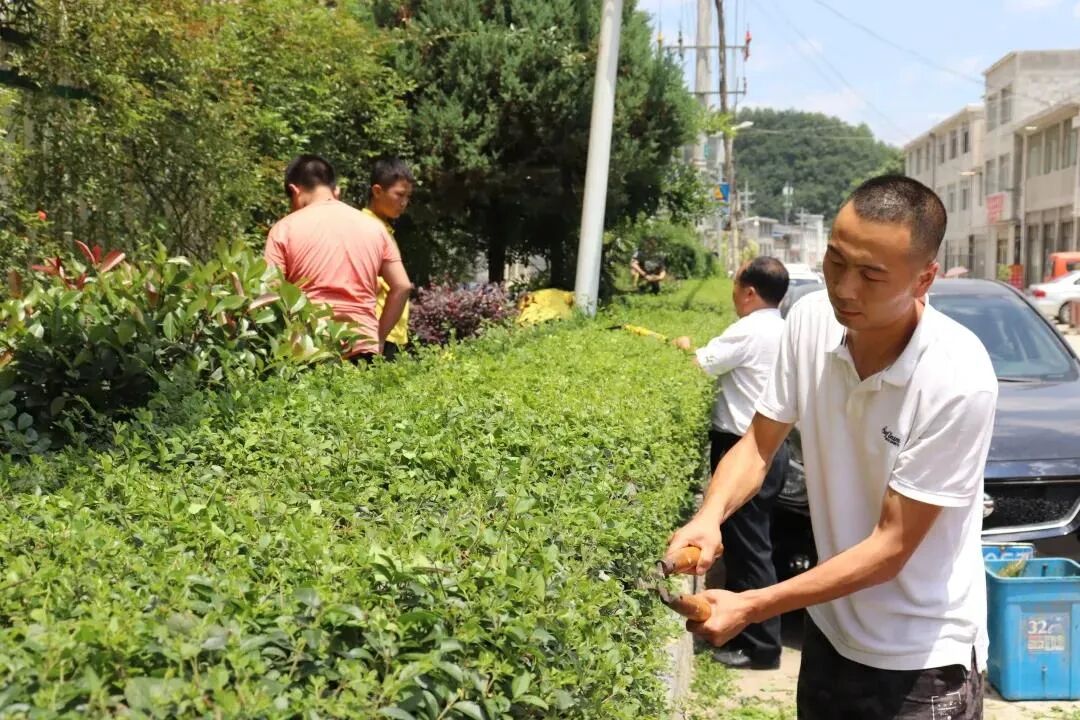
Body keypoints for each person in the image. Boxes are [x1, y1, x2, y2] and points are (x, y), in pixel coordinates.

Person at [667, 175, 996, 719]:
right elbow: (758, 444)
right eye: (835, 261)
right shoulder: (811, 320)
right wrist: (709, 516)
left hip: (920, 658)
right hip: (829, 628)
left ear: (924, 279)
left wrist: (752, 605)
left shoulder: (957, 378)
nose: (845, 288)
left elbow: (891, 546)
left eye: (872, 275)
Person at [672, 256, 790, 670]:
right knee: (753, 545)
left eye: (736, 286)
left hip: (744, 451)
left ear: (749, 292)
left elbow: (700, 364)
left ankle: (761, 649)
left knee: (749, 550)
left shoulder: (748, 330)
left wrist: (684, 349)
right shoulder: (783, 329)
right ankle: (749, 637)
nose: (734, 294)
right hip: (772, 448)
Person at [264, 154, 411, 361]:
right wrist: (378, 338)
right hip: (363, 345)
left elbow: (270, 292)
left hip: (309, 346)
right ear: (335, 189)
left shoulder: (284, 229)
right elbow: (402, 286)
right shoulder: (375, 228)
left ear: (294, 191)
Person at [365, 156, 415, 361]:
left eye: (408, 197)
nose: (404, 203)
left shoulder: (383, 227)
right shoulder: (366, 226)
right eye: (399, 195)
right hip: (377, 330)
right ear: (377, 191)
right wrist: (379, 336)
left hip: (390, 333)